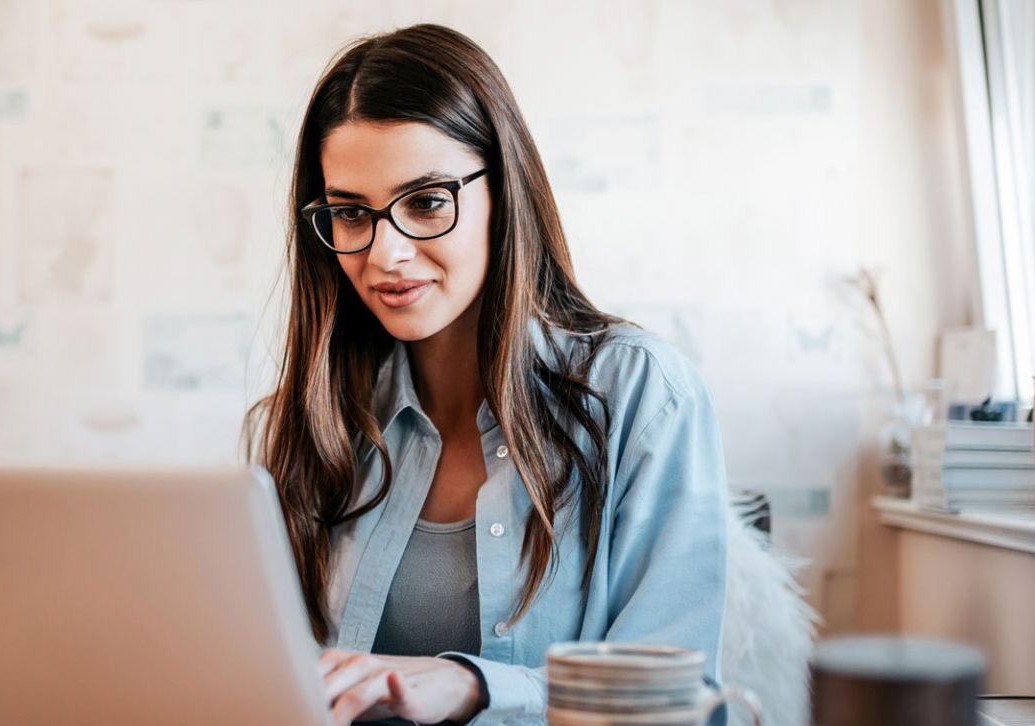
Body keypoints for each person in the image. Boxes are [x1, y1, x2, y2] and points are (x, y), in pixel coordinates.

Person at [249, 24, 730, 726]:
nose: (387, 254)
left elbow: (675, 705)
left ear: (503, 192)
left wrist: (475, 686)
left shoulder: (643, 394)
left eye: (426, 202)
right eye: (351, 213)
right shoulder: (312, 422)